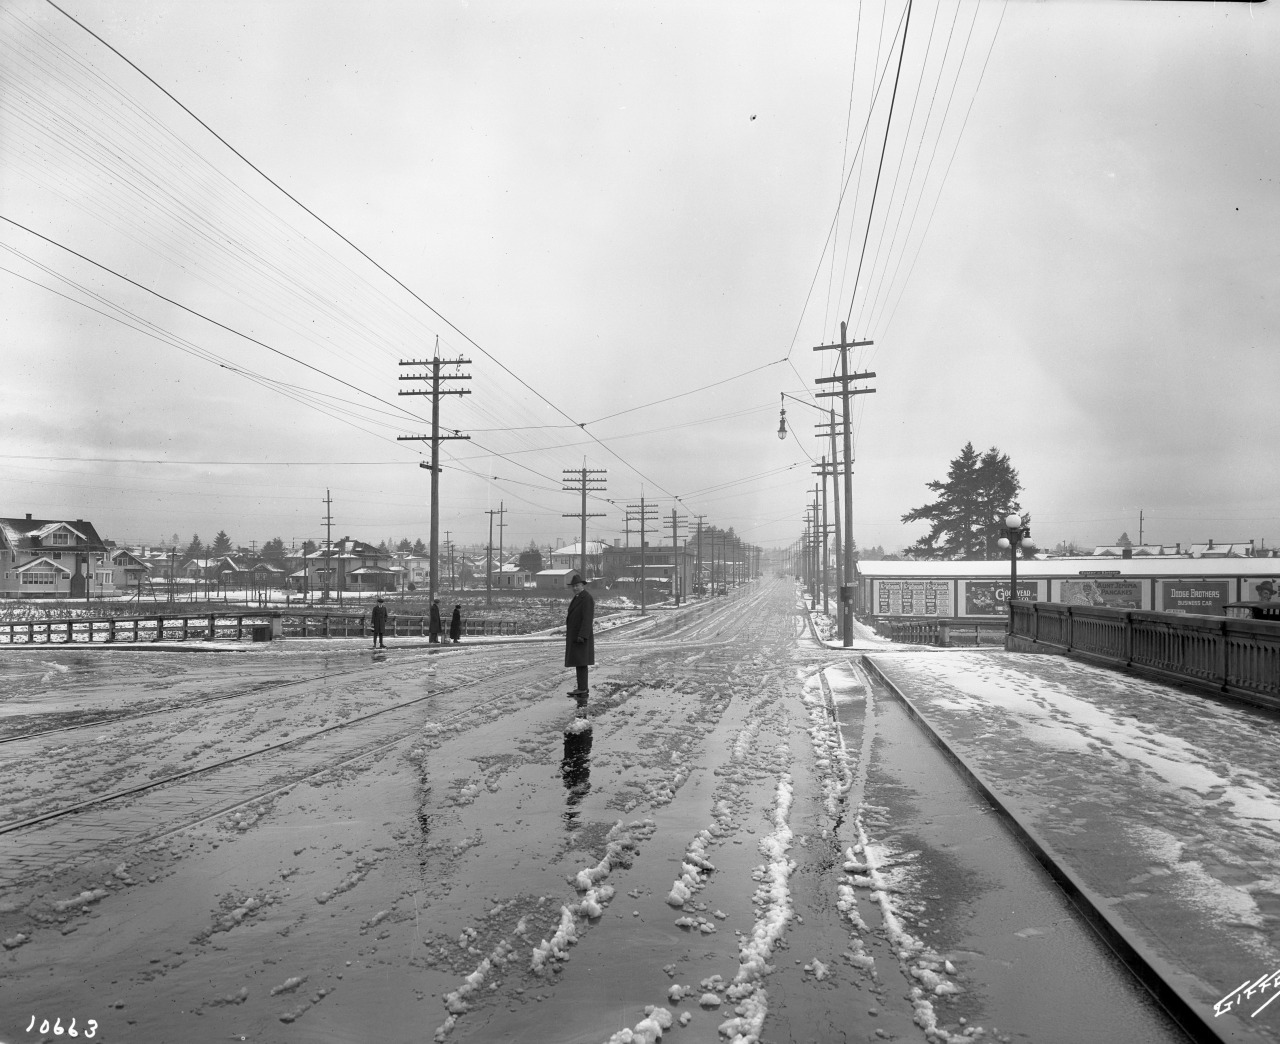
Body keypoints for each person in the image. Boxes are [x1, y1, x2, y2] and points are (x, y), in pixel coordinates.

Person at [564, 575, 595, 699]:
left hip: (581, 637)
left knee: (582, 662)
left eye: (577, 585)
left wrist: (582, 635)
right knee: (579, 662)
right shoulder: (578, 598)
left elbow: (587, 618)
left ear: (582, 585)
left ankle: (583, 689)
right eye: (574, 586)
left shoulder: (586, 598)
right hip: (576, 636)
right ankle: (581, 688)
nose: (575, 588)